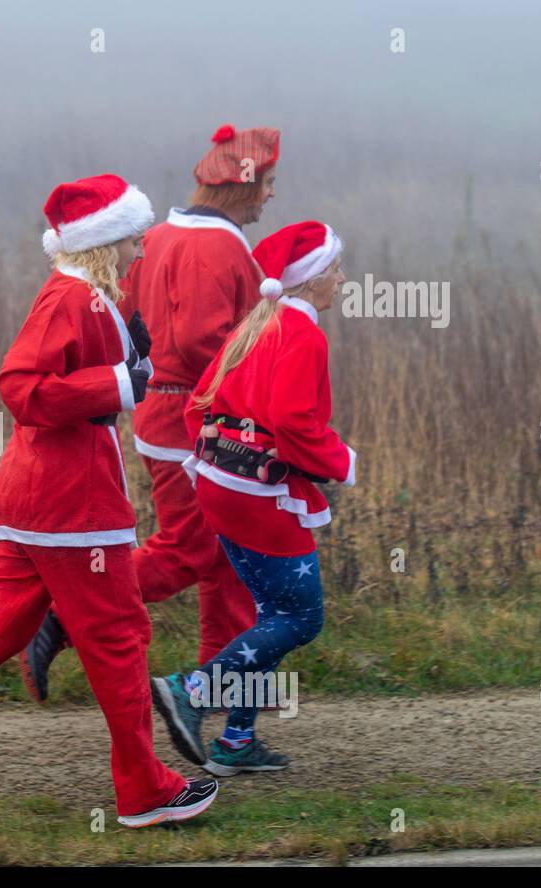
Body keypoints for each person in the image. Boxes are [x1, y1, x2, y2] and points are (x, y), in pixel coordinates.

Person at [0, 174, 218, 828]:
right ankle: (145, 792)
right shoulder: (69, 299)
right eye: (133, 239)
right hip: (73, 507)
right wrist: (115, 383)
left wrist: (126, 363)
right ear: (104, 244)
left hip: (40, 501)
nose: (141, 249)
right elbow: (21, 386)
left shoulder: (90, 297)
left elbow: (98, 362)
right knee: (118, 635)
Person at [19, 124, 280, 703]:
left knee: (221, 560)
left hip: (165, 417)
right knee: (191, 551)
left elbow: (126, 316)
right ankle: (64, 612)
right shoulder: (221, 247)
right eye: (266, 184)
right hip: (196, 424)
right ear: (242, 186)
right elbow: (197, 342)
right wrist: (261, 391)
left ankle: (218, 700)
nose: (270, 195)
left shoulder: (160, 235)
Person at [155, 220, 355, 774]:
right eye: (336, 268)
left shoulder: (257, 325)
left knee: (270, 613)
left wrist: (224, 453)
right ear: (313, 279)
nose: (342, 278)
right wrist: (341, 461)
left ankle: (235, 743)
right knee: (301, 618)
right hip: (258, 499)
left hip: (220, 487)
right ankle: (191, 691)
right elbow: (294, 422)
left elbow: (199, 404)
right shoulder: (304, 334)